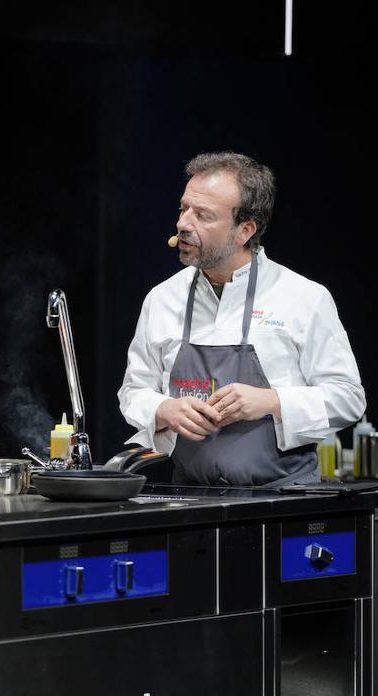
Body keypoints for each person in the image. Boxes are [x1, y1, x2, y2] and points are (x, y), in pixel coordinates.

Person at [118, 152, 365, 486]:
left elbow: (348, 398)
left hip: (284, 502)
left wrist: (272, 401)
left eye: (202, 215)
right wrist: (163, 409)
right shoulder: (162, 299)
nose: (183, 224)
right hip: (189, 499)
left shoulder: (304, 297)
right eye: (183, 208)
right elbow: (134, 390)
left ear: (244, 230)